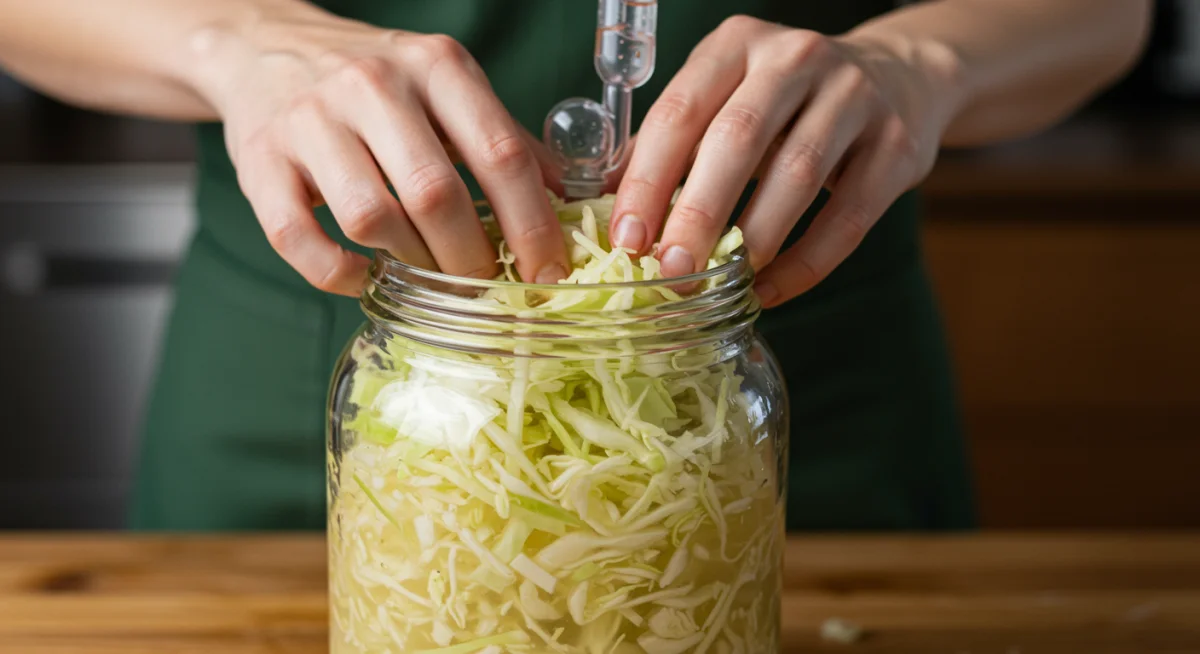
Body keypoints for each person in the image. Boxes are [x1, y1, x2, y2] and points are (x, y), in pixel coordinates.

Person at [0, 1, 1150, 531]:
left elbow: (1108, 12)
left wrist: (916, 64)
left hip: (802, 382)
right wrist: (227, 40)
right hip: (336, 371)